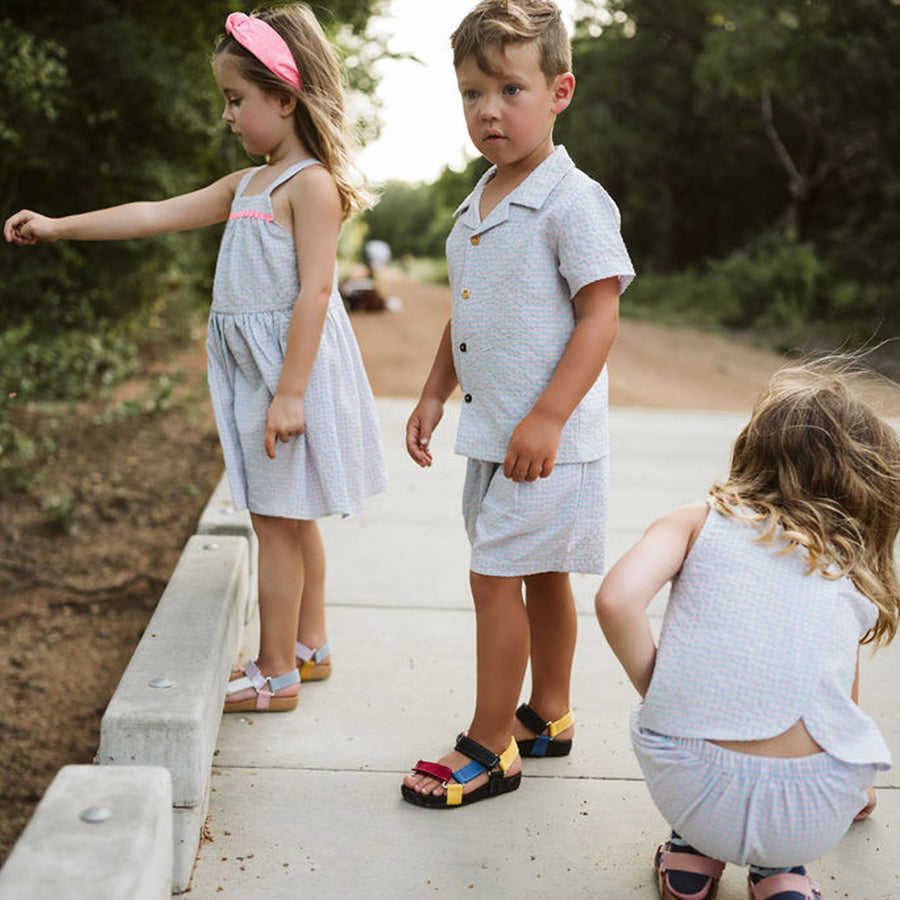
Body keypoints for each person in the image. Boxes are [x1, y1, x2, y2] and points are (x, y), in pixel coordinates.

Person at [4, 5, 388, 713]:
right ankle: (311, 646)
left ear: (284, 96)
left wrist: (291, 393)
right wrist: (59, 226)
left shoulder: (309, 185)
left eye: (236, 100)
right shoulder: (247, 184)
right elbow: (153, 212)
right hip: (263, 374)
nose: (227, 116)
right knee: (289, 516)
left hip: (288, 375)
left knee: (275, 522)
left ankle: (275, 675)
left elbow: (315, 292)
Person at [401, 0, 634, 808]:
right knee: (535, 578)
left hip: (549, 440)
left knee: (495, 579)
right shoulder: (479, 201)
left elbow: (601, 316)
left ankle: (491, 743)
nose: (488, 110)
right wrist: (435, 393)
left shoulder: (574, 201)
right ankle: (551, 712)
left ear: (560, 90)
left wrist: (549, 416)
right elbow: (466, 312)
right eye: (471, 93)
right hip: (495, 435)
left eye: (509, 89)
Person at [595, 359, 900, 899]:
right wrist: (857, 788)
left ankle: (692, 853)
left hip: (691, 787)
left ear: (752, 448)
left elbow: (617, 600)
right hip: (816, 809)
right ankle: (782, 874)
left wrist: (662, 691)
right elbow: (835, 693)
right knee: (796, 793)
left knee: (674, 728)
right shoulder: (847, 561)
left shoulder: (695, 521)